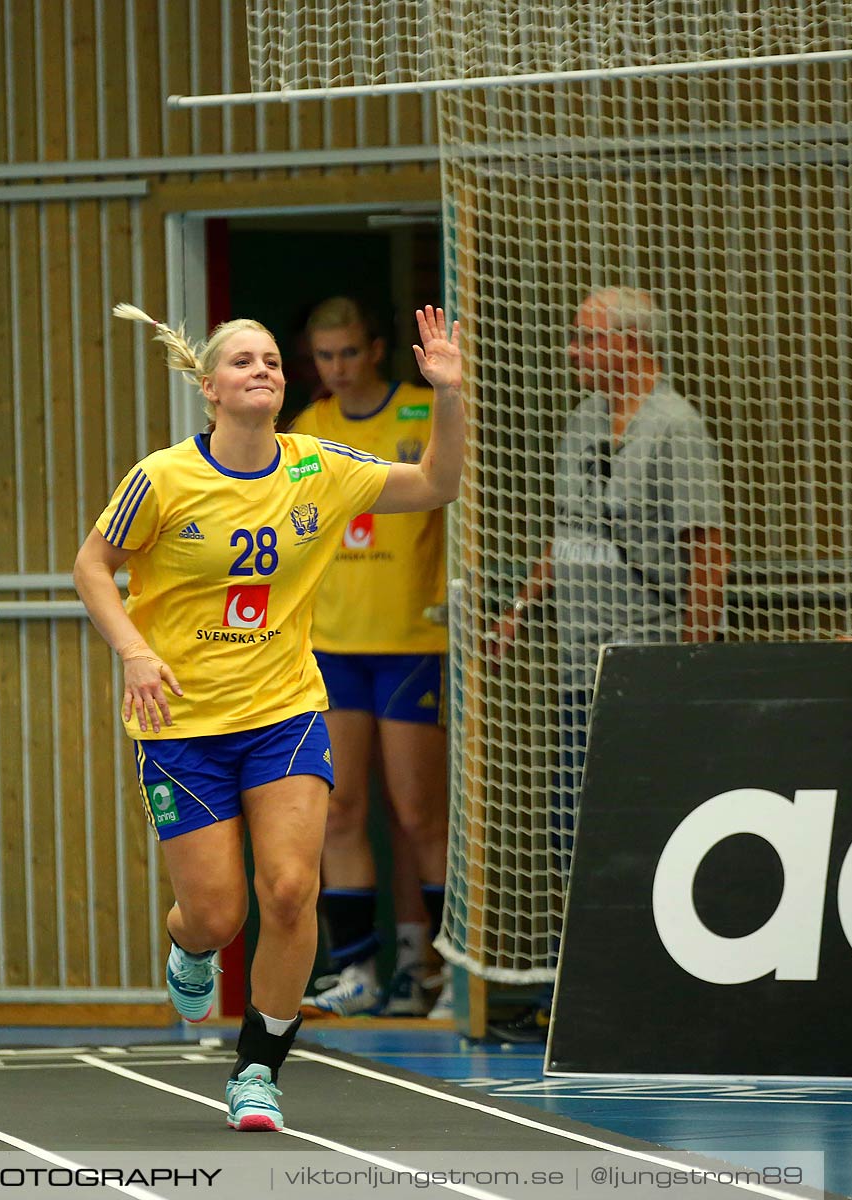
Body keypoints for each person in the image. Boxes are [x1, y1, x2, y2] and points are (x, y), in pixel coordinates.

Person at [73, 302, 465, 1132]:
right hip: (182, 723)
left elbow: (437, 483)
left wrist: (449, 396)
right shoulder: (165, 477)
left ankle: (258, 1067)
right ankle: (190, 944)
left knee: (289, 890)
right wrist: (135, 653)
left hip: (284, 711)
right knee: (218, 914)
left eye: (273, 363)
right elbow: (92, 564)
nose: (264, 371)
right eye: (245, 361)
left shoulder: (317, 467)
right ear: (209, 387)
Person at [494, 286, 728, 1018]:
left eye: (586, 340)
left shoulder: (674, 429)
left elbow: (706, 549)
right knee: (574, 826)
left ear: (630, 345)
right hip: (576, 667)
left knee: (642, 824)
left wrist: (691, 663)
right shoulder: (583, 421)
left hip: (642, 666)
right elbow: (566, 531)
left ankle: (649, 983)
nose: (573, 353)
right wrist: (520, 610)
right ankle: (586, 985)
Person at [284, 298, 452, 1020]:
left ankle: (441, 971)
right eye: (324, 356)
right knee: (340, 806)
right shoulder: (309, 428)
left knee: (418, 812)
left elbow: (455, 492)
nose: (338, 368)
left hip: (413, 640)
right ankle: (356, 969)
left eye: (349, 352)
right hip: (333, 648)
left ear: (377, 349)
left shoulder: (422, 408)